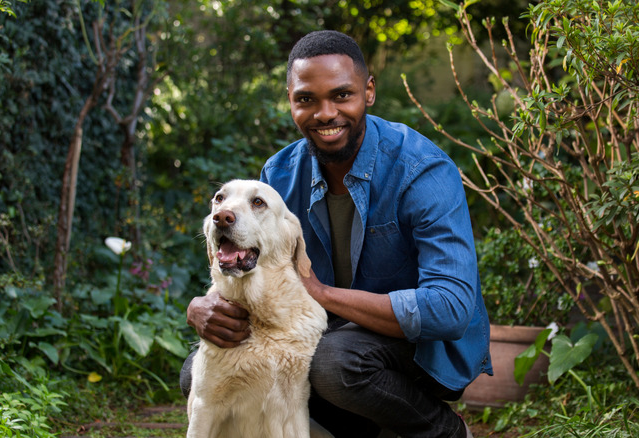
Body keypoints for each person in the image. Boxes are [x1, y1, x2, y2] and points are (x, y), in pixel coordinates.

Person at [181, 30, 492, 438]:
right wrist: (203, 306)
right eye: (306, 99)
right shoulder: (279, 174)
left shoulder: (422, 170)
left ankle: (443, 432)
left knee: (334, 362)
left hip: (418, 354)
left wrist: (322, 294)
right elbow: (256, 263)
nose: (325, 113)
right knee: (198, 372)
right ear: (291, 100)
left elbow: (449, 308)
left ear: (369, 91)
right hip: (323, 334)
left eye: (342, 95)